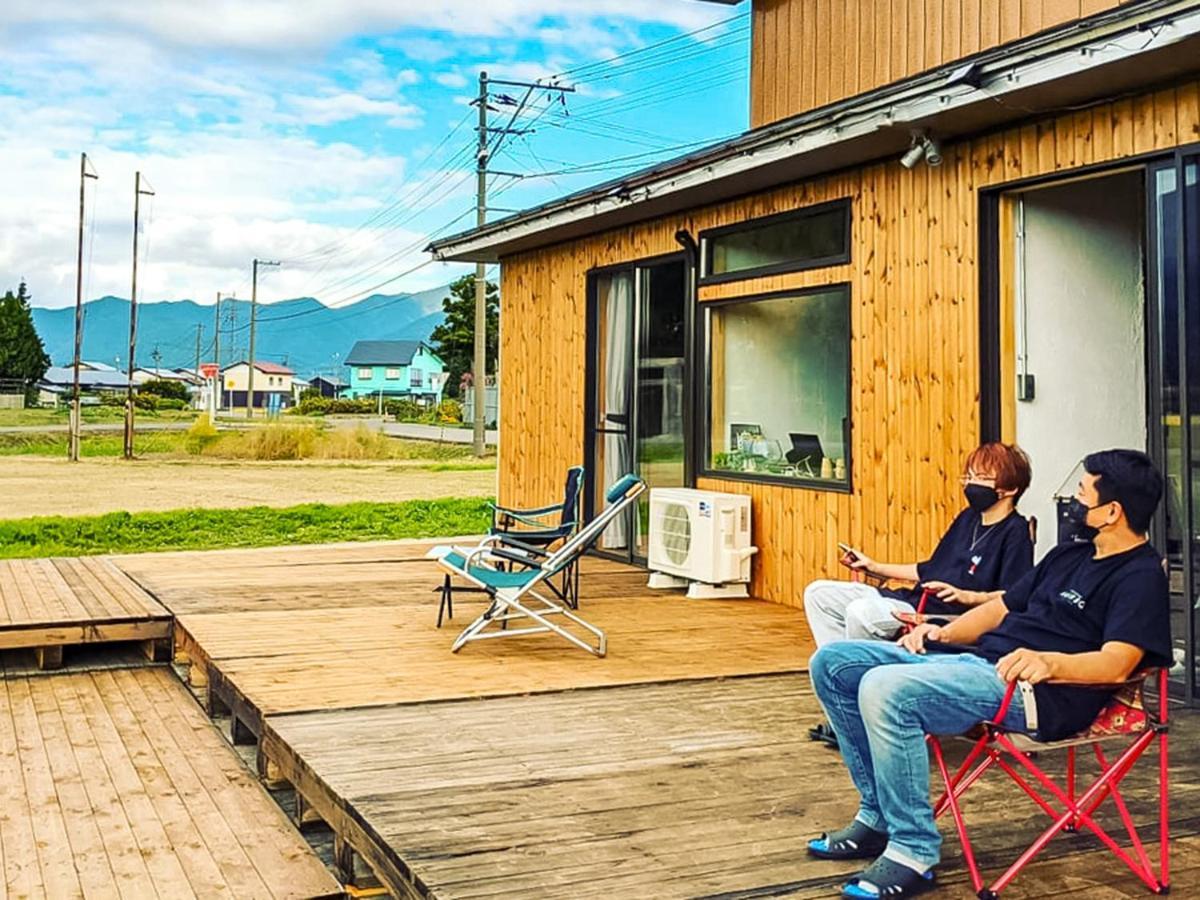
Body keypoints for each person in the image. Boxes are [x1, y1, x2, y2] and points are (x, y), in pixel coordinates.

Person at [805, 449, 1171, 899]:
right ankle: (878, 817)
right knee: (835, 664)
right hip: (980, 662)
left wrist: (1050, 663)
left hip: (1041, 692)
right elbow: (1000, 608)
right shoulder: (1068, 555)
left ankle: (913, 852)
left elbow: (1118, 662)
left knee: (886, 689)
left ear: (1111, 512)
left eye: (1081, 495)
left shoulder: (1139, 576)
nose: (1072, 504)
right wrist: (939, 634)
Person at [804, 442, 1035, 746]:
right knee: (819, 593)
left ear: (1009, 488)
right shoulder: (968, 520)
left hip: (947, 618)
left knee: (860, 612)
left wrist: (965, 595)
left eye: (980, 477)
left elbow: (1013, 597)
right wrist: (874, 567)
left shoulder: (1016, 533)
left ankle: (869, 713)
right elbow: (929, 569)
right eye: (967, 476)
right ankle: (847, 705)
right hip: (912, 600)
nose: (970, 484)